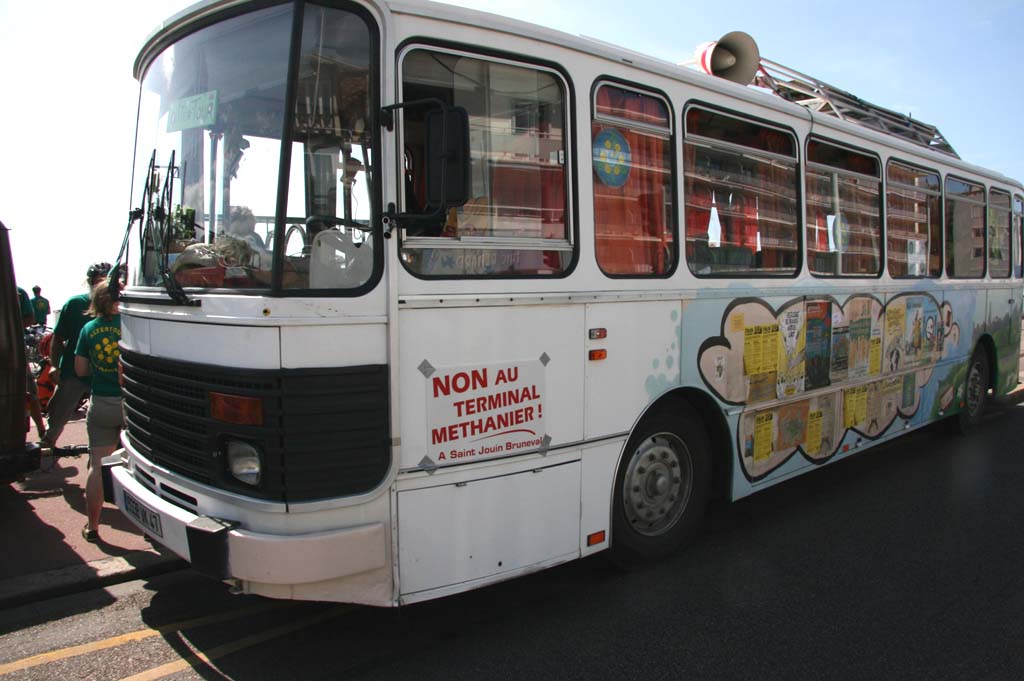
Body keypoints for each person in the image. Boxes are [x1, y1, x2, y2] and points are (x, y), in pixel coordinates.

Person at [40, 262, 111, 450]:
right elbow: (58, 338)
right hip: (73, 371)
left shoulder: (120, 307)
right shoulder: (74, 304)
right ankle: (46, 448)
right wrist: (55, 365)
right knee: (57, 417)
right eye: (97, 281)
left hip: (104, 376)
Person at [74, 279, 122, 542]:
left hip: (102, 402)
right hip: (131, 404)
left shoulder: (88, 329)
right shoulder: (130, 325)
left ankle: (93, 526)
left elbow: (81, 370)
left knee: (97, 465)